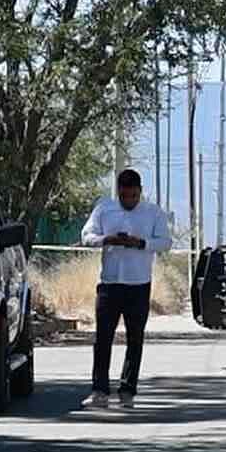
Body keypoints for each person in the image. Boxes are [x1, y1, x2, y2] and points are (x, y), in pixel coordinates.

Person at [79, 169, 172, 409]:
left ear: (140, 192)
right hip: (110, 283)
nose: (128, 200)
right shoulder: (104, 209)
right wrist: (106, 239)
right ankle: (100, 391)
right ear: (118, 192)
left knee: (135, 339)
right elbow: (86, 235)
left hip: (138, 284)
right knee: (102, 339)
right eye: (124, 196)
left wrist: (141, 243)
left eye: (133, 196)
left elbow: (165, 242)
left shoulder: (153, 213)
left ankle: (127, 390)